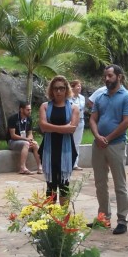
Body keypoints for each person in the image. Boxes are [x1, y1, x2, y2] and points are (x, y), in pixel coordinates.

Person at [89, 64, 128, 234]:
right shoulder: (100, 97)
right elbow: (93, 119)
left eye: (110, 75)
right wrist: (97, 137)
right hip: (98, 145)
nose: (106, 79)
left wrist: (107, 138)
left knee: (119, 184)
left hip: (115, 144)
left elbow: (126, 122)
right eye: (105, 76)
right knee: (100, 183)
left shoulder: (127, 97)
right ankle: (103, 218)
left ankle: (122, 219)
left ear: (119, 76)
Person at [37, 76, 79, 205]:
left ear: (66, 89)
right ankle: (51, 219)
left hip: (66, 150)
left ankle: (63, 220)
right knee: (51, 184)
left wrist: (52, 128)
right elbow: (43, 127)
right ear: (51, 90)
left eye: (62, 88)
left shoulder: (73, 108)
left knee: (64, 183)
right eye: (55, 88)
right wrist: (63, 128)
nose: (58, 91)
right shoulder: (44, 106)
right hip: (49, 149)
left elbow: (72, 129)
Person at [7, 101, 42, 175]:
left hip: (24, 140)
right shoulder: (13, 119)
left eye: (30, 109)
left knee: (35, 144)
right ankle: (22, 168)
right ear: (21, 110)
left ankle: (40, 167)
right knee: (26, 144)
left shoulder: (29, 119)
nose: (30, 111)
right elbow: (13, 135)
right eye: (28, 109)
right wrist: (26, 139)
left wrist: (30, 139)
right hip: (12, 141)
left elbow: (30, 133)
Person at [70, 80, 86, 170]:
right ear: (72, 87)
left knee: (77, 143)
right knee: (69, 142)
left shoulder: (82, 98)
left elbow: (80, 108)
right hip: (71, 121)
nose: (79, 88)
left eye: (80, 86)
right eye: (78, 86)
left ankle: (75, 164)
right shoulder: (68, 98)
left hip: (80, 121)